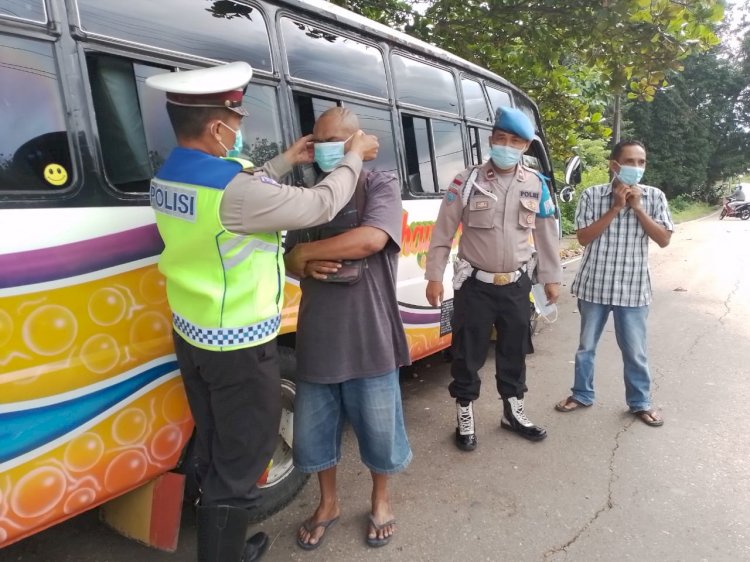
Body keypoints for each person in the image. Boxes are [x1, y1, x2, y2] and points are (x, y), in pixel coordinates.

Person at [145, 62, 379, 562]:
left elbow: (241, 196)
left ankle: (223, 544)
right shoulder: (236, 192)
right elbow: (319, 204)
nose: (240, 126)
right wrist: (353, 158)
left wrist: (283, 161)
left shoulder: (169, 174)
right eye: (237, 117)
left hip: (193, 335)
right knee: (243, 458)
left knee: (214, 446)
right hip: (239, 347)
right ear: (217, 127)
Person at [283, 107, 412, 550]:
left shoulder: (380, 183)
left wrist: (306, 254)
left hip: (369, 333)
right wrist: (296, 260)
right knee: (315, 433)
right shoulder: (308, 193)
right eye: (317, 141)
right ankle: (328, 504)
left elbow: (373, 237)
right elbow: (288, 258)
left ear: (358, 141)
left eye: (334, 141)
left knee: (380, 429)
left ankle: (381, 498)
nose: (324, 150)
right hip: (318, 335)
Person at [424, 106, 562, 452]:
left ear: (526, 146)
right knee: (467, 354)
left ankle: (513, 412)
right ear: (491, 140)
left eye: (514, 141)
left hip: (516, 285)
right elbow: (443, 231)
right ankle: (465, 414)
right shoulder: (467, 180)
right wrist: (434, 276)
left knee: (514, 350)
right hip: (475, 286)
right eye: (500, 139)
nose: (506, 145)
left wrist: (551, 277)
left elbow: (546, 234)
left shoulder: (536, 184)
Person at [554, 139, 673, 427]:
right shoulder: (593, 196)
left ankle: (640, 403)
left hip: (633, 289)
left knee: (635, 351)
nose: (636, 168)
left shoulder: (655, 197)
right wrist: (617, 207)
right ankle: (581, 394)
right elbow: (583, 238)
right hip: (594, 285)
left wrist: (638, 208)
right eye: (630, 162)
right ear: (614, 165)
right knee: (586, 347)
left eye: (641, 162)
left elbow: (664, 239)